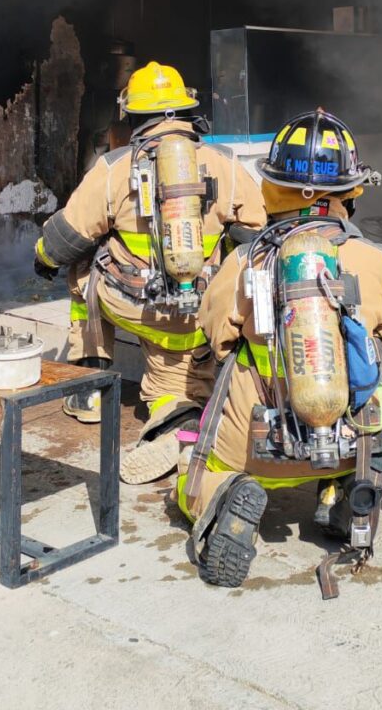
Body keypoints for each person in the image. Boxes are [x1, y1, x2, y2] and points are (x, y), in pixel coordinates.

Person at [176, 108, 382, 589]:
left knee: (195, 475)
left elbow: (215, 332)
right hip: (349, 435)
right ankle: (343, 491)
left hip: (257, 439)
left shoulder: (246, 260)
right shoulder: (378, 260)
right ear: (351, 192)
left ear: (272, 186)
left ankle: (228, 494)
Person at [33, 62, 265, 483]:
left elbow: (66, 237)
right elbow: (256, 240)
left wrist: (43, 259)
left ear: (135, 117)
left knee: (83, 273)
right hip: (201, 313)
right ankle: (195, 391)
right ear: (187, 111)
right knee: (183, 369)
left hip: (133, 305)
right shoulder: (227, 165)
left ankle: (97, 392)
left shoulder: (114, 168)